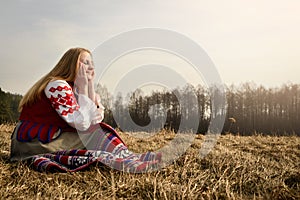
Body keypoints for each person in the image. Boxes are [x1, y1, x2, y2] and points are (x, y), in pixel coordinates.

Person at [10, 47, 161, 172]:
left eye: (92, 63)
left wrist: (89, 87)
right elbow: (82, 124)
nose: (91, 67)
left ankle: (127, 157)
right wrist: (83, 89)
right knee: (98, 133)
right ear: (72, 65)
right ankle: (125, 159)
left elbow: (95, 120)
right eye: (86, 63)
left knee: (98, 131)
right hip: (35, 142)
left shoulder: (74, 87)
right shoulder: (57, 85)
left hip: (52, 138)